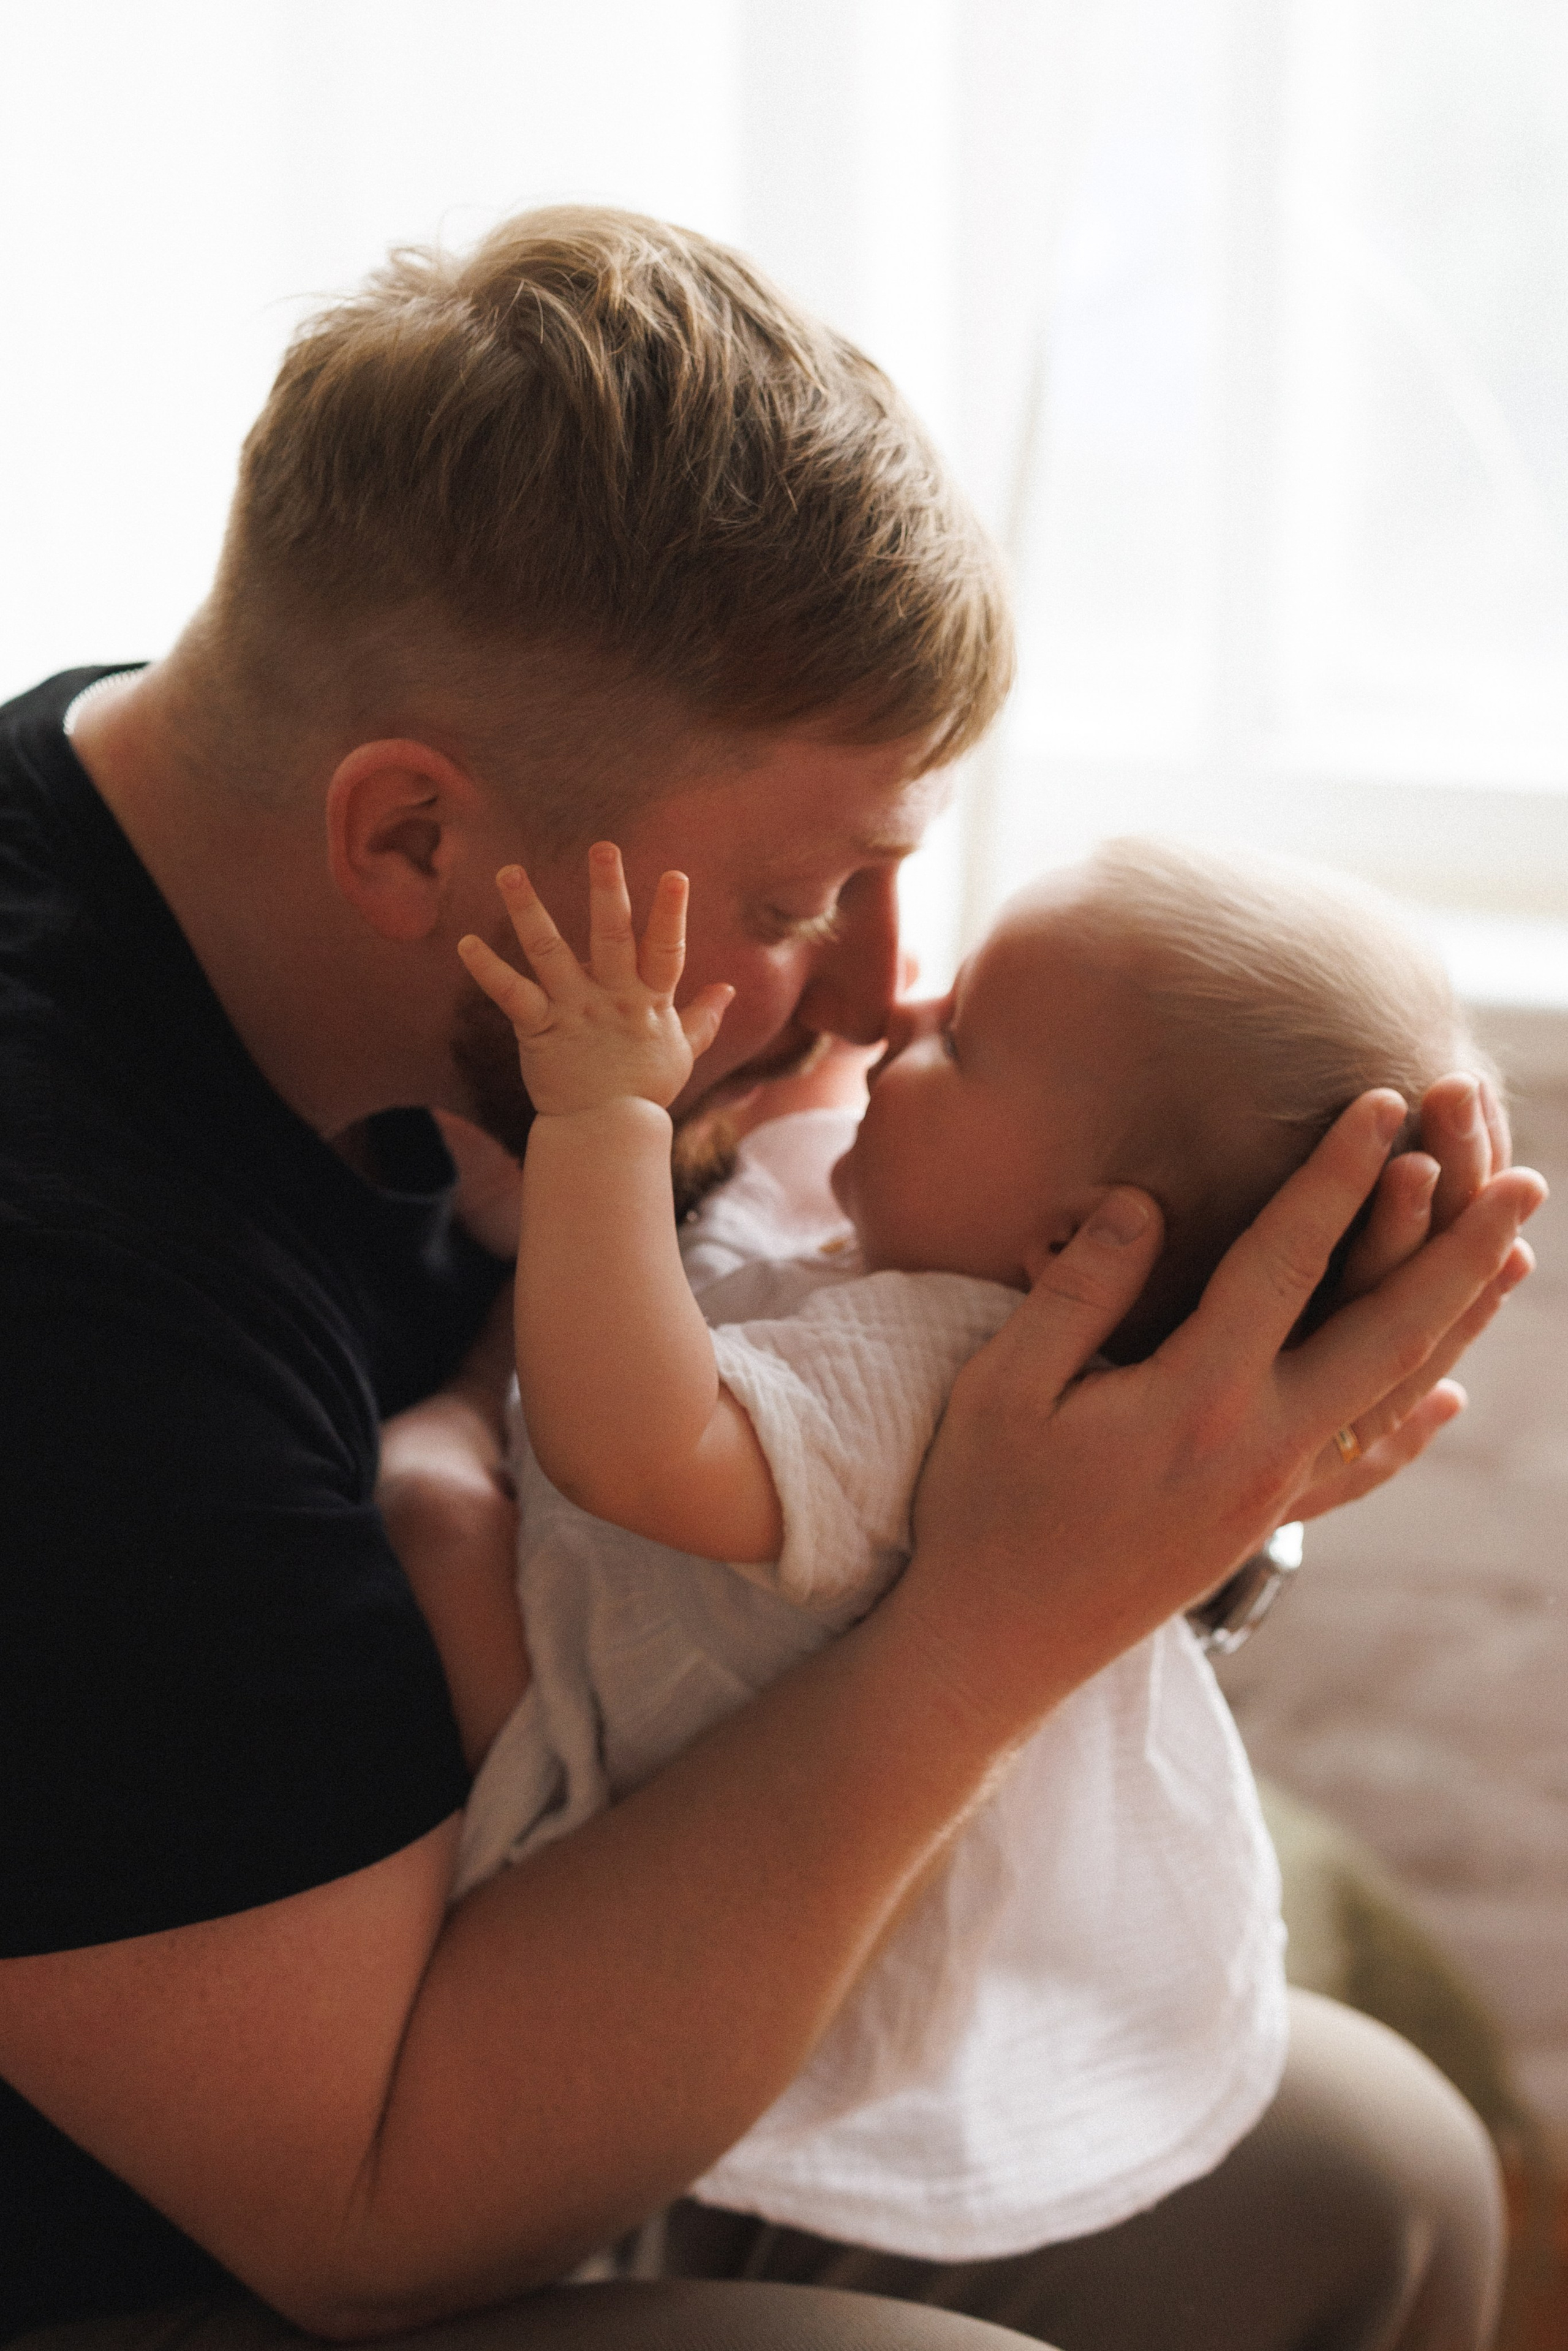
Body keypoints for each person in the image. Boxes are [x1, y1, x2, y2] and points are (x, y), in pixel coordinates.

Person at [0, 204, 1541, 2351]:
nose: (878, 999)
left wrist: (1203, 1473)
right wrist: (1016, 1613)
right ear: (410, 843)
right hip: (203, 2223)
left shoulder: (389, 899)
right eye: (807, 899)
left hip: (493, 1891)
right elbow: (370, 2205)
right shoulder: (71, 1297)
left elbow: (851, 1378)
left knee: (1371, 2183)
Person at [385, 832, 1496, 2272]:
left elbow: (629, 1444)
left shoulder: (939, 1377)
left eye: (955, 1036)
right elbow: (717, 1222)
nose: (887, 1012)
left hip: (603, 1841)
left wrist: (604, 1118)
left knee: (434, 1512)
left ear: (1071, 1236)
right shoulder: (901, 1225)